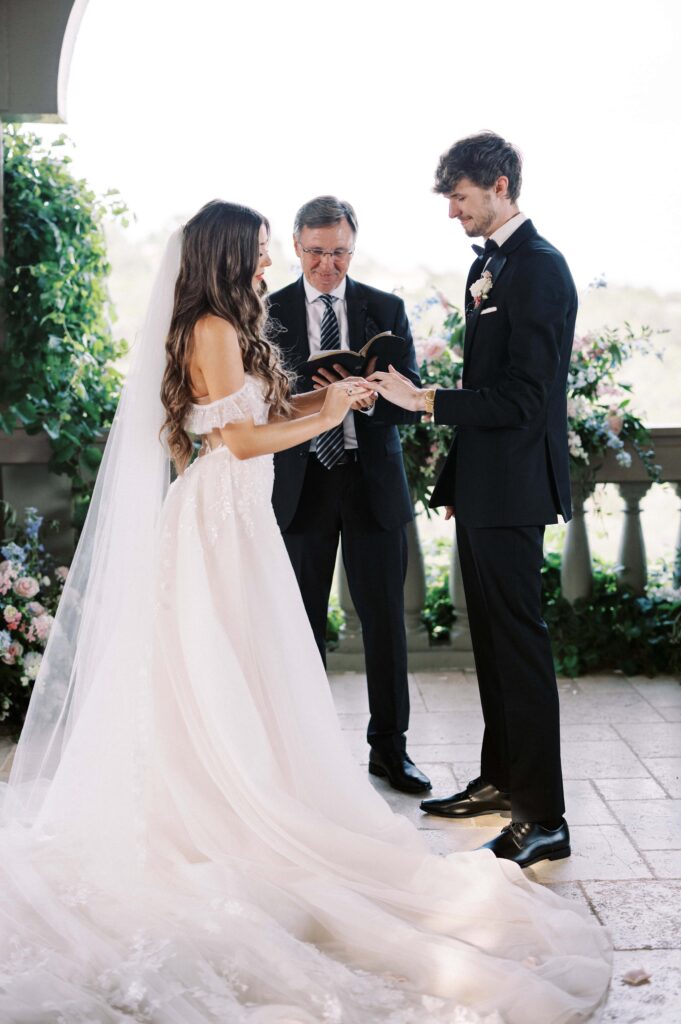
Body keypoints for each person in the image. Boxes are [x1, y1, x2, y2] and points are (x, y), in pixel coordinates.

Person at [0, 200, 611, 1023]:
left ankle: (256, 782)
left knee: (248, 669)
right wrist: (322, 414)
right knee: (212, 667)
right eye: (257, 252)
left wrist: (332, 400)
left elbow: (255, 418)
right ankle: (210, 808)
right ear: (226, 255)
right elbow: (237, 443)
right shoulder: (211, 327)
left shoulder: (230, 321)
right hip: (219, 519)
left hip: (239, 519)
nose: (266, 265)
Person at [367, 132, 577, 870]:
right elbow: (487, 383)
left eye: (459, 198)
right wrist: (458, 482)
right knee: (490, 644)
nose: (452, 213)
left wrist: (423, 401)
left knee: (519, 650)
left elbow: (523, 398)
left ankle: (543, 816)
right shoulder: (489, 268)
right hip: (485, 490)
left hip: (517, 490)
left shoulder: (540, 271)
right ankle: (500, 781)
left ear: (497, 184)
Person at [267, 196, 430, 794]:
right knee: (299, 623)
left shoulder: (385, 308)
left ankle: (390, 750)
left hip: (372, 477)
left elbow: (411, 408)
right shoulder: (267, 312)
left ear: (352, 248)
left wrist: (373, 395)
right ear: (296, 246)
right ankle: (303, 752)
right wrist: (312, 395)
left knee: (385, 620)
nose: (328, 265)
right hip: (301, 482)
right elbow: (258, 404)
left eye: (339, 252)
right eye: (316, 252)